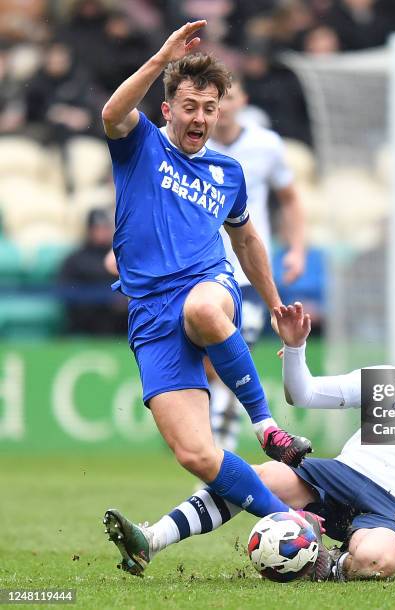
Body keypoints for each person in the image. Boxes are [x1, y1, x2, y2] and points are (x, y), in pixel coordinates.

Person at [105, 304, 395, 581]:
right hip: (343, 475)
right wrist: (295, 348)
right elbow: (304, 393)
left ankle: (323, 561)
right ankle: (152, 539)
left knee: (376, 560)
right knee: (260, 477)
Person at [101, 21, 314, 566]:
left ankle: (266, 427)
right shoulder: (140, 144)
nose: (199, 117)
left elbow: (246, 240)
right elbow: (110, 114)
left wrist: (274, 304)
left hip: (208, 288)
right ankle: (287, 519)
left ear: (220, 112)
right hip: (150, 316)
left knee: (201, 307)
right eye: (190, 106)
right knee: (196, 453)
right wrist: (159, 59)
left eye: (209, 107)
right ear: (168, 109)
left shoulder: (228, 171)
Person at [203, 75, 306, 452]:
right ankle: (214, 442)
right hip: (201, 270)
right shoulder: (191, 144)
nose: (224, 105)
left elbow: (290, 199)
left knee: (233, 355)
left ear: (244, 99)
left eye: (230, 97)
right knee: (212, 367)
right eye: (217, 97)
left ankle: (219, 454)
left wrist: (296, 249)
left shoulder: (267, 144)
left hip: (246, 271)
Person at [58, 208, 127, 335]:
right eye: (97, 228)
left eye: (105, 228)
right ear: (89, 230)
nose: (101, 232)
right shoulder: (75, 260)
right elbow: (65, 291)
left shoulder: (122, 257)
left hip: (119, 326)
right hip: (85, 325)